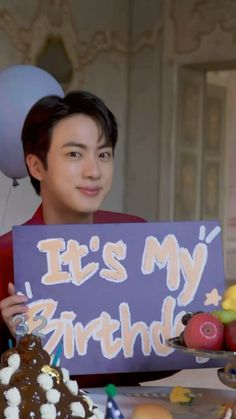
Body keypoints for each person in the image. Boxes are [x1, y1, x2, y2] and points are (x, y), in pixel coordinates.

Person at [0, 90, 176, 386]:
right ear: (36, 166)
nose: (94, 171)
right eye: (74, 154)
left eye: (103, 154)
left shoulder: (140, 240)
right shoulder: (7, 254)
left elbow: (159, 363)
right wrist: (12, 343)